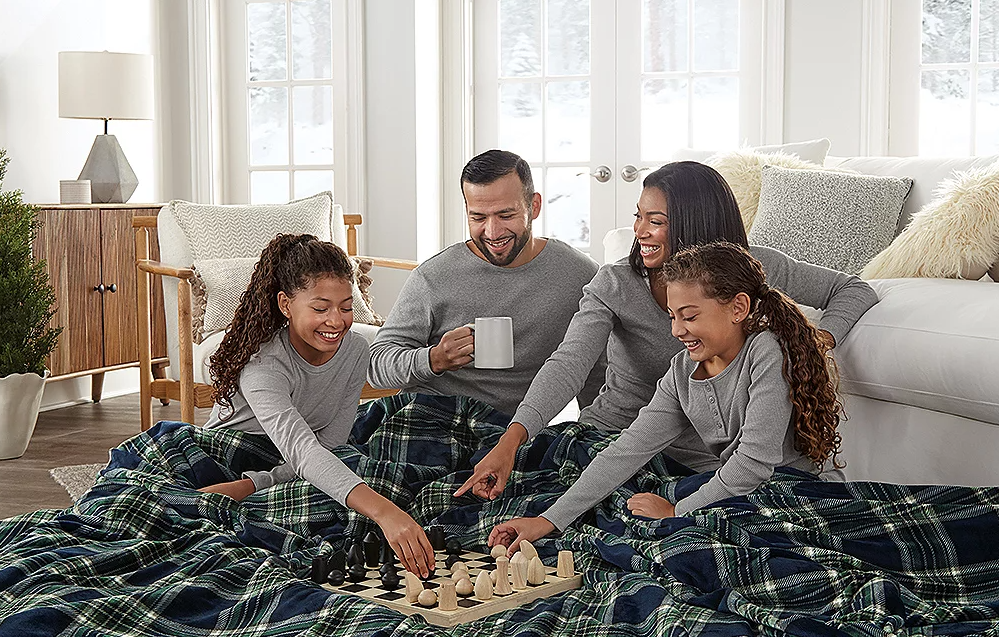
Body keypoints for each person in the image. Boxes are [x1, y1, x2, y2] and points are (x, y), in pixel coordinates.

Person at [457, 161, 875, 500]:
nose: (639, 232)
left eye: (654, 221)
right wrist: (513, 439)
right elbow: (568, 364)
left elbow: (852, 289)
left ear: (695, 224)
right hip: (616, 438)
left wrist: (816, 342)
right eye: (638, 217)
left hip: (702, 461)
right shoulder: (615, 283)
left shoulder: (752, 269)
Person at [488, 241, 845, 549]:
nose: (676, 330)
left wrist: (677, 512)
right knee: (620, 514)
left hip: (794, 494)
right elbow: (629, 448)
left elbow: (753, 464)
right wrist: (548, 521)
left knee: (675, 543)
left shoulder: (767, 352)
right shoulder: (682, 370)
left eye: (689, 317)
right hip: (738, 492)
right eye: (673, 317)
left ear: (738, 308)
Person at [200, 234, 436, 577]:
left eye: (346, 307)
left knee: (378, 475)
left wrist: (257, 484)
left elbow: (330, 447)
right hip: (228, 463)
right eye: (321, 308)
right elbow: (304, 451)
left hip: (286, 470)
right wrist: (385, 512)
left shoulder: (355, 351)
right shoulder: (263, 364)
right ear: (286, 304)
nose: (336, 321)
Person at [367, 149, 605, 417]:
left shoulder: (579, 274)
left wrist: (592, 430)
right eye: (478, 217)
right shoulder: (434, 276)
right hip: (430, 414)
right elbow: (377, 365)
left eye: (506, 215)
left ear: (534, 206)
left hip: (512, 429)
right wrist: (435, 359)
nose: (493, 232)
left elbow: (597, 372)